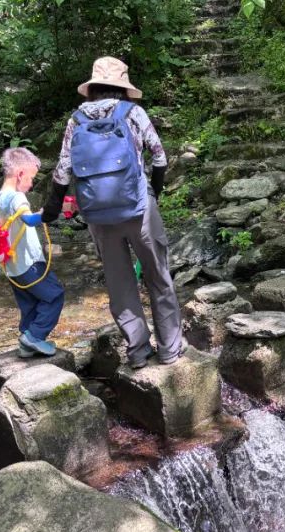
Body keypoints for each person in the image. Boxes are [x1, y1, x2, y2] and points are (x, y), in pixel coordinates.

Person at [42, 56, 184, 368]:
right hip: (139, 209)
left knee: (119, 283)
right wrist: (153, 193)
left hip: (97, 215)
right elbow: (159, 157)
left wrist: (50, 211)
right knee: (158, 276)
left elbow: (63, 172)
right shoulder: (133, 112)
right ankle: (170, 348)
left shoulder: (76, 120)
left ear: (92, 88)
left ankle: (137, 350)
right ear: (122, 86)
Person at [0, 147, 65, 357]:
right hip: (29, 263)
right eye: (31, 178)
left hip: (12, 267)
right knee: (54, 296)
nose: (32, 184)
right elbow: (29, 220)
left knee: (30, 303)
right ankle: (34, 336)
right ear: (20, 174)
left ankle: (26, 342)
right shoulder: (16, 198)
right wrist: (48, 212)